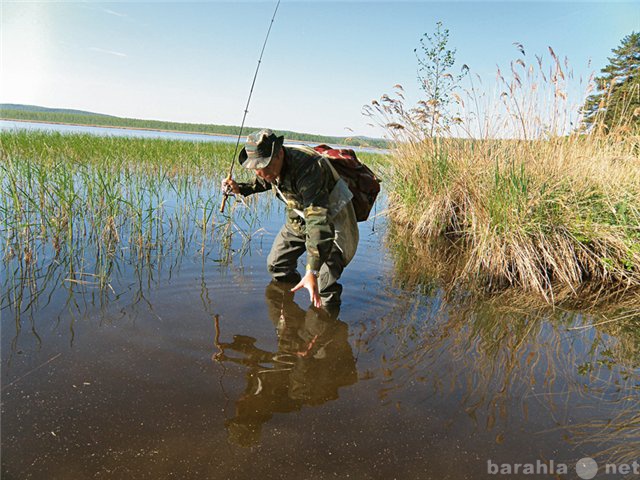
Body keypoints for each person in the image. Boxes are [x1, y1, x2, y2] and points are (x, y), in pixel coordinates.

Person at [222, 129, 359, 310]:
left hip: (332, 222)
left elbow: (318, 221)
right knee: (277, 264)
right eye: (256, 168)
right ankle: (289, 312)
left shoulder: (309, 168)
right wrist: (240, 188)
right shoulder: (269, 168)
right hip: (298, 217)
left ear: (279, 153)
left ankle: (326, 327)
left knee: (324, 284)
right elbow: (266, 179)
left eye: (265, 166)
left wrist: (312, 271)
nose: (261, 172)